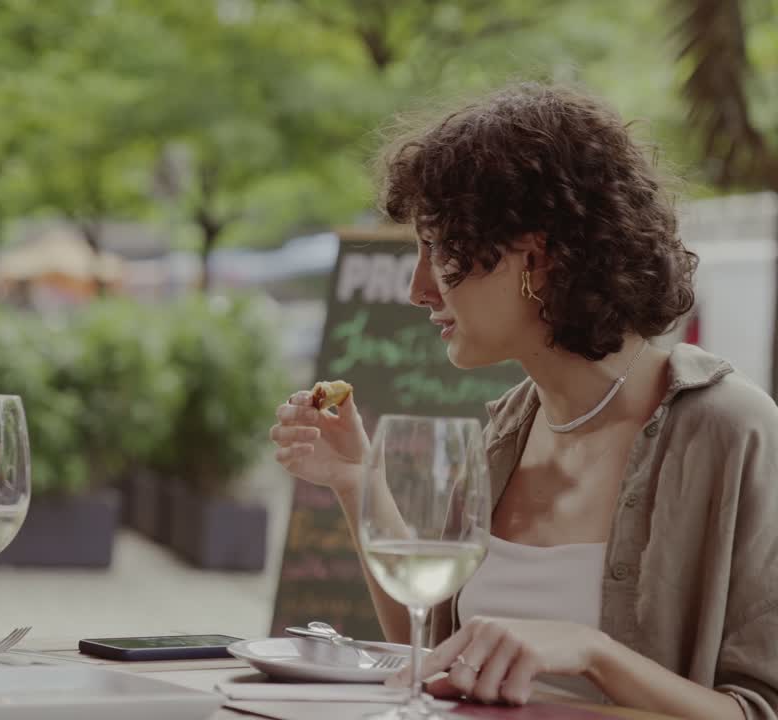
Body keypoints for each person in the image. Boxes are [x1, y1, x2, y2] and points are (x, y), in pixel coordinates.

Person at [272, 82, 778, 719]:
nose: (418, 289)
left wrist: (593, 653)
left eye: (442, 251)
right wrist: (354, 478)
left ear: (537, 259)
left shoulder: (733, 432)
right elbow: (430, 653)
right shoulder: (507, 430)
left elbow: (759, 708)